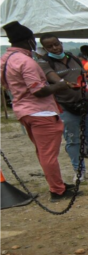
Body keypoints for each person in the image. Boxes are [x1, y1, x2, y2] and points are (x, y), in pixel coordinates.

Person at [0, 21, 71, 201]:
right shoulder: (26, 61)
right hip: (41, 112)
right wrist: (60, 86)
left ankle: (57, 184)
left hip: (23, 110)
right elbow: (38, 91)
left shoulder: (6, 59)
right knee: (48, 154)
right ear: (30, 40)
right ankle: (57, 190)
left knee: (42, 151)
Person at [36, 34, 88, 181]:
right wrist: (63, 82)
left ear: (61, 43)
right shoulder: (44, 62)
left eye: (56, 44)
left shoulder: (73, 58)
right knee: (73, 140)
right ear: (45, 48)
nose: (55, 48)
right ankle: (79, 170)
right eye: (50, 46)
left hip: (85, 104)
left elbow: (85, 73)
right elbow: (51, 76)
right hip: (66, 106)